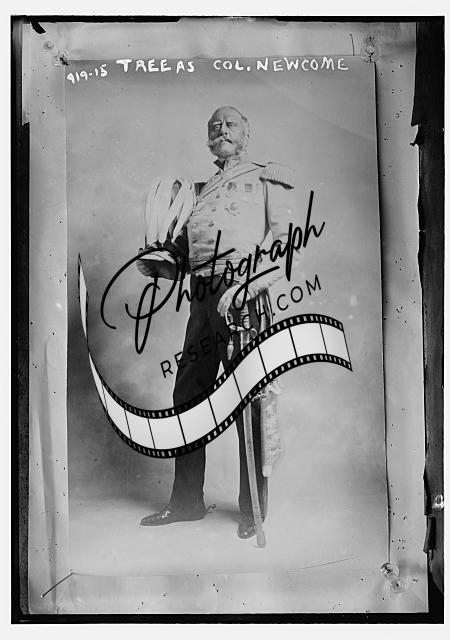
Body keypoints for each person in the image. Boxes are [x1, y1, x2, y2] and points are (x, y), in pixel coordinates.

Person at [138, 106, 297, 539]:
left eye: (230, 124)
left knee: (250, 400)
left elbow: (285, 245)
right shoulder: (197, 191)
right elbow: (186, 257)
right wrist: (161, 263)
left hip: (245, 295)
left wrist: (251, 287)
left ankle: (253, 510)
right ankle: (186, 502)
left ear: (247, 132)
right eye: (214, 126)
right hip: (202, 300)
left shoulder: (268, 177)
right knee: (188, 397)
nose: (221, 130)